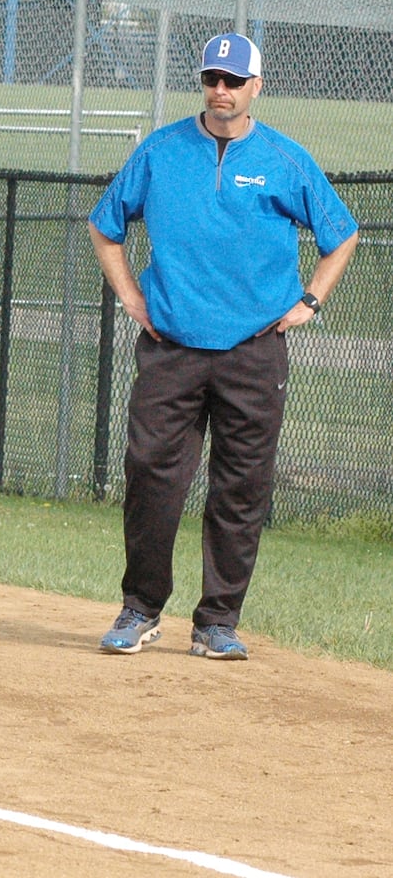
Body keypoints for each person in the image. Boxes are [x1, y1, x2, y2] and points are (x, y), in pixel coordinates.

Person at [89, 33, 359, 660]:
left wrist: (310, 302)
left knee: (241, 486)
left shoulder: (285, 160)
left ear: (255, 87)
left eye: (235, 80)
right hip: (172, 347)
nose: (222, 89)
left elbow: (341, 235)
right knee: (152, 478)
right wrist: (132, 297)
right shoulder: (160, 151)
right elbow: (106, 228)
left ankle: (217, 622)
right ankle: (140, 608)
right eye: (213, 77)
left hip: (253, 351)